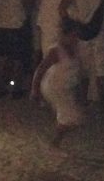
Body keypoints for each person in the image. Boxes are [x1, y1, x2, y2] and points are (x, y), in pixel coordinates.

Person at [32, 16, 84, 148]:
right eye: (74, 35)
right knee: (69, 117)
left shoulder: (76, 48)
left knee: (74, 117)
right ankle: (54, 143)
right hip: (54, 87)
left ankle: (55, 139)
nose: (76, 38)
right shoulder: (56, 50)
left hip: (65, 88)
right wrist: (35, 89)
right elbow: (40, 70)